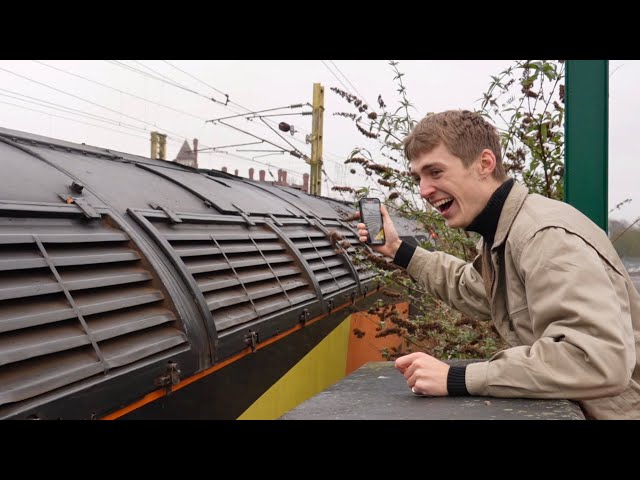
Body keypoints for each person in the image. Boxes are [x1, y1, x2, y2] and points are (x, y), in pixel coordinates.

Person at [357, 109, 640, 419]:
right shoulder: (503, 235)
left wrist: (457, 378)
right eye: (418, 178)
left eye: (435, 172)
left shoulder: (543, 237)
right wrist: (398, 249)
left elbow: (597, 360)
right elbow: (472, 290)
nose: (424, 190)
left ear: (485, 164)